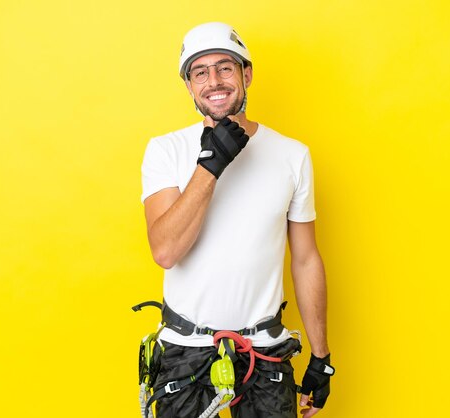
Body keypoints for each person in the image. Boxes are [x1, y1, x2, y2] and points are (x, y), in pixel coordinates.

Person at [140, 22, 334, 418]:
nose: (214, 81)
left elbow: (306, 259)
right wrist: (210, 165)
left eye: (225, 68)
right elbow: (165, 250)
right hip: (184, 351)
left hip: (264, 351)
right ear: (190, 86)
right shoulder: (165, 150)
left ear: (246, 74)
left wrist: (320, 356)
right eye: (200, 72)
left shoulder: (292, 155)